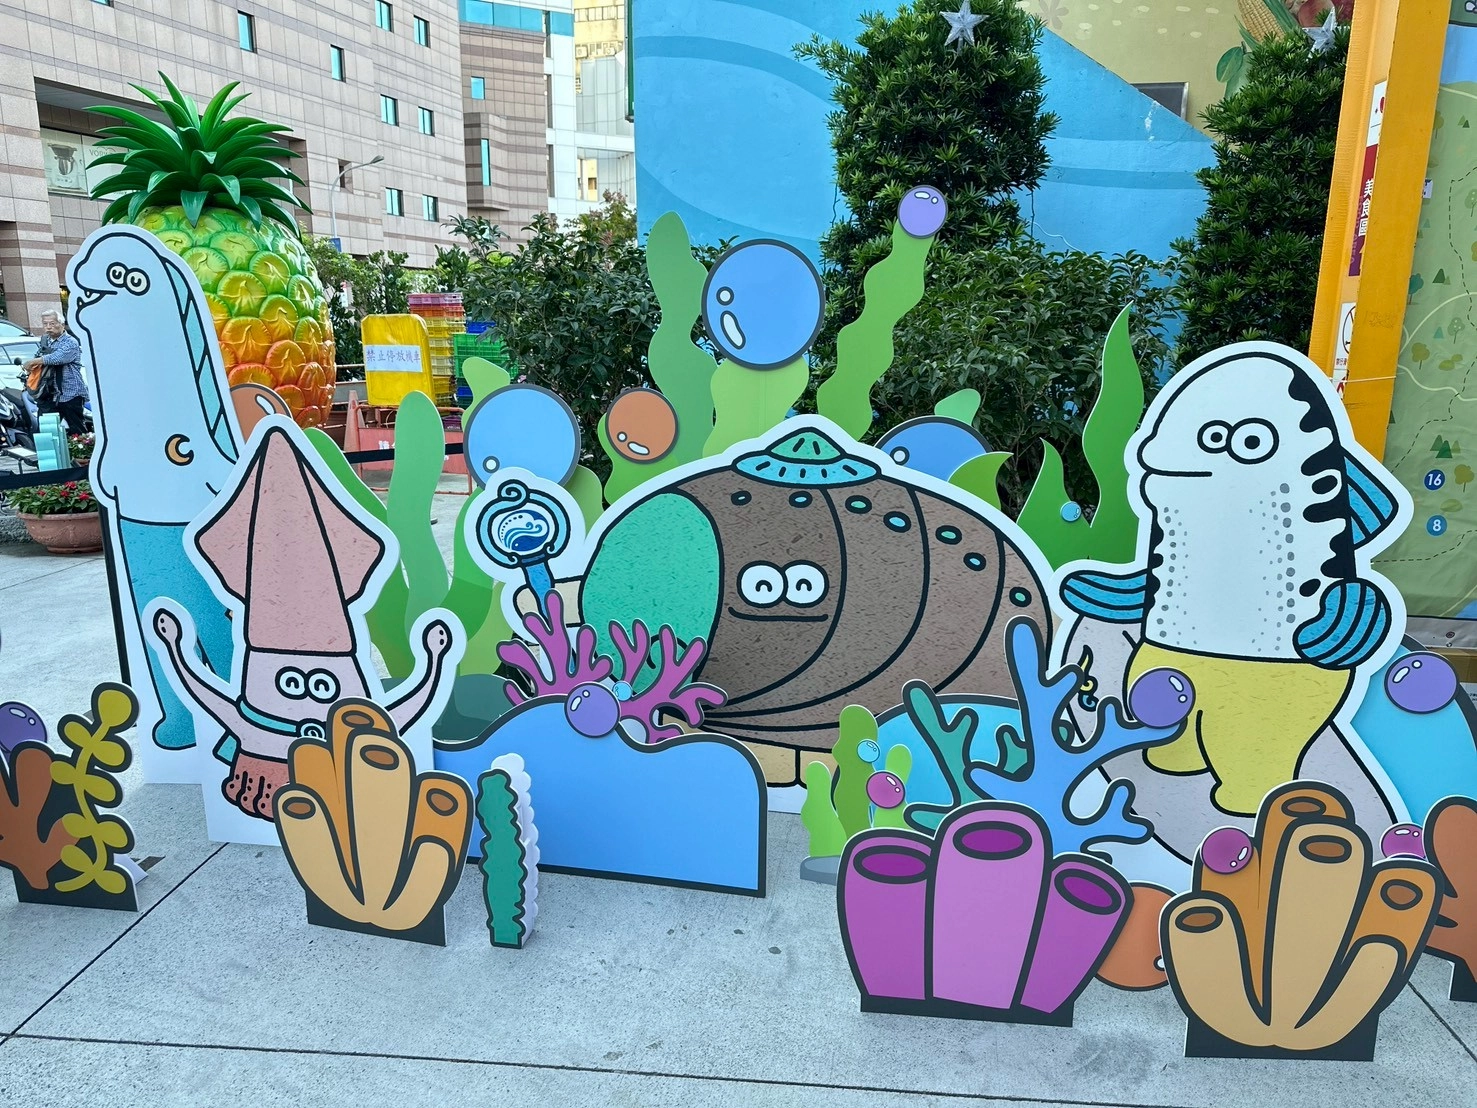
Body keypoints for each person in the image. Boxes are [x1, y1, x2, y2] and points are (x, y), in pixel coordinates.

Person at [22, 308, 88, 435]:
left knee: (77, 430)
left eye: (52, 323)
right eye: (45, 323)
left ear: (62, 324)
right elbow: (40, 356)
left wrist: (34, 361)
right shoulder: (44, 340)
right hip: (48, 394)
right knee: (46, 431)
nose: (48, 327)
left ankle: (82, 447)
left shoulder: (71, 342)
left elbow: (58, 358)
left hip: (70, 393)